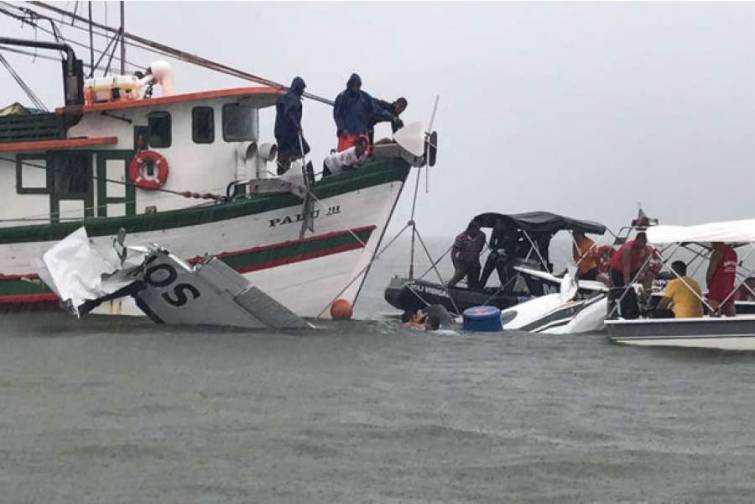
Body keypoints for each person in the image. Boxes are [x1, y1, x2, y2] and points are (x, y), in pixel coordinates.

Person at [333, 73, 395, 151]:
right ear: (350, 85)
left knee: (364, 156)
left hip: (361, 134)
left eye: (358, 85)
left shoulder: (365, 97)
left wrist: (391, 117)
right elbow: (337, 115)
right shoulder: (342, 97)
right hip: (347, 135)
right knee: (345, 157)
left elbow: (377, 109)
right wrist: (341, 128)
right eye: (354, 85)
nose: (356, 87)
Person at [608, 232, 653, 319]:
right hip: (618, 270)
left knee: (647, 276)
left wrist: (643, 272)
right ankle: (620, 312)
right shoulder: (628, 248)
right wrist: (627, 284)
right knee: (622, 290)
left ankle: (641, 305)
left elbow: (646, 263)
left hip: (633, 269)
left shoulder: (646, 250)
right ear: (636, 240)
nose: (641, 245)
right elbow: (626, 267)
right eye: (640, 242)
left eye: (644, 243)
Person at [274, 77, 309, 175]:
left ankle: (284, 167)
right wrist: (297, 127)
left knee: (285, 150)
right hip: (290, 133)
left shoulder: (285, 98)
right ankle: (285, 162)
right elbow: (290, 114)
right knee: (304, 148)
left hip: (280, 132)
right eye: (302, 89)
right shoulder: (292, 99)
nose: (303, 91)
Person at [479, 219, 518, 289]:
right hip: (496, 255)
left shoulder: (513, 232)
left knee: (502, 276)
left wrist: (505, 252)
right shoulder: (497, 230)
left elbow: (513, 246)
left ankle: (507, 291)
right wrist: (497, 250)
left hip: (504, 256)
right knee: (486, 274)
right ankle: (480, 287)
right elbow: (491, 243)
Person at [447, 221, 486, 289]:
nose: (478, 232)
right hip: (463, 262)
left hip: (474, 262)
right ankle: (448, 290)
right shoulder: (461, 237)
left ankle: (471, 294)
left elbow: (480, 248)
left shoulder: (482, 236)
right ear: (470, 229)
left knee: (473, 282)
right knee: (456, 278)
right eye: (476, 230)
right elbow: (453, 253)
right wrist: (457, 266)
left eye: (479, 229)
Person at [706, 241, 737, 316]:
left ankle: (714, 325)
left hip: (716, 286)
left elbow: (711, 271)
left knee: (714, 312)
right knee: (730, 311)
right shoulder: (733, 252)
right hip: (729, 286)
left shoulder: (717, 253)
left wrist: (708, 284)